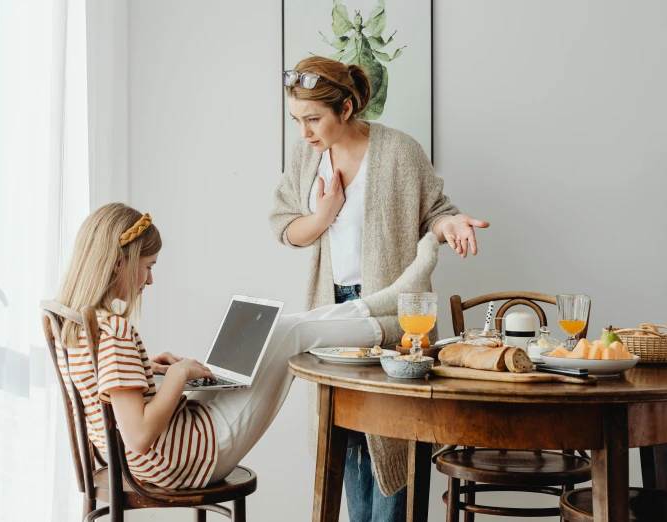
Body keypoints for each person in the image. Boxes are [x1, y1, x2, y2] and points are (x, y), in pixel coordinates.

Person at [53, 202, 441, 490]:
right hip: (182, 459)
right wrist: (177, 374)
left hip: (162, 457)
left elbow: (108, 395)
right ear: (119, 263)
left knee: (284, 327)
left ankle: (391, 312)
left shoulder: (73, 323)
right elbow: (138, 435)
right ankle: (396, 313)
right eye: (148, 265)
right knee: (288, 334)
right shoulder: (116, 330)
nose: (149, 280)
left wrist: (147, 369)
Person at [270, 56, 490, 520]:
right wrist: (324, 214)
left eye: (313, 119)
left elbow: (436, 211)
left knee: (394, 432)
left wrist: (450, 225)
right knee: (346, 434)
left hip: (392, 313)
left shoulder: (399, 151)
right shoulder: (304, 157)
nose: (304, 132)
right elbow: (287, 229)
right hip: (332, 310)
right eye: (297, 120)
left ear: (346, 108)